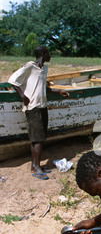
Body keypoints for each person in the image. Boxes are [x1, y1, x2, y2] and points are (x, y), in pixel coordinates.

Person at [8, 46, 69, 180]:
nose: (49, 55)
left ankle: (36, 166)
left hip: (42, 106)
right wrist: (23, 96)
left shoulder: (44, 69)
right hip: (33, 107)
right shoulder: (30, 66)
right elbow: (13, 80)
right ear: (42, 54)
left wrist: (58, 91)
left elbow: (42, 87)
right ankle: (35, 167)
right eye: (47, 53)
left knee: (40, 138)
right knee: (37, 139)